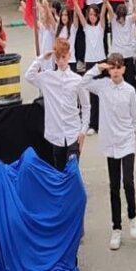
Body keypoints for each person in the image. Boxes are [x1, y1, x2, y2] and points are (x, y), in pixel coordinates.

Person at [83, 54, 136, 250]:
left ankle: (132, 216)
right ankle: (116, 228)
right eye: (112, 67)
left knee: (128, 181)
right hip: (110, 143)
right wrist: (97, 67)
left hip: (126, 141)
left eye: (119, 67)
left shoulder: (129, 91)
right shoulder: (102, 86)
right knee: (114, 186)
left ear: (124, 69)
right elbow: (82, 83)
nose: (116, 70)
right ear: (109, 70)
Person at [24, 38, 91, 171]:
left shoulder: (77, 80)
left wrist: (83, 130)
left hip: (73, 132)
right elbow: (28, 76)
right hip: (55, 134)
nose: (60, 61)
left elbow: (86, 105)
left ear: (69, 56)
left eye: (63, 57)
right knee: (59, 170)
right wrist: (42, 58)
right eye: (58, 58)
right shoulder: (47, 78)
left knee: (72, 171)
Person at [73, 0, 107, 135]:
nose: (92, 17)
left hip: (101, 60)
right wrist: (75, 1)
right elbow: (80, 14)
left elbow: (104, 12)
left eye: (94, 14)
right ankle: (93, 124)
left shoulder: (100, 27)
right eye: (90, 14)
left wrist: (105, 2)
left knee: (102, 93)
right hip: (90, 61)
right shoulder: (86, 27)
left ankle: (103, 122)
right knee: (92, 93)